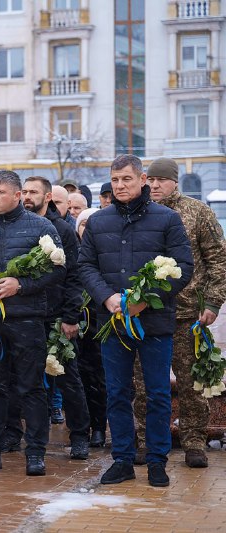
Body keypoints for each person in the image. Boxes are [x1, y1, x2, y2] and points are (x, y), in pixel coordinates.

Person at [78, 154, 193, 487]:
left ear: (143, 179)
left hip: (155, 322)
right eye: (114, 180)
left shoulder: (167, 219)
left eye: (126, 179)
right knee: (117, 392)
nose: (119, 186)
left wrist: (146, 300)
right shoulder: (99, 221)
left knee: (157, 394)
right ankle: (123, 460)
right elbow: (86, 266)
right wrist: (107, 297)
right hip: (113, 321)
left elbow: (183, 267)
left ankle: (157, 461)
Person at [0, 171, 65, 477]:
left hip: (27, 318)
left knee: (31, 387)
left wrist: (20, 285)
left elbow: (58, 271)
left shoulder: (41, 227)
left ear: (17, 196)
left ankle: (35, 453)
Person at [132, 157, 226, 469]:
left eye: (162, 180)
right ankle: (145, 441)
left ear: (175, 181)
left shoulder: (198, 212)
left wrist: (212, 303)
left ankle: (194, 442)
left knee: (191, 385)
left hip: (187, 315)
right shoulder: (137, 211)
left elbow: (218, 261)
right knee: (145, 384)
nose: (155, 185)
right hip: (145, 315)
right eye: (151, 180)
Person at [22, 177, 90, 460]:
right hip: (26, 315)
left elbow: (74, 275)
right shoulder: (18, 226)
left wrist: (70, 316)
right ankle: (27, 439)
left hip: (57, 316)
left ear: (47, 196)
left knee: (68, 379)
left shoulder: (61, 228)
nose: (27, 196)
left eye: (33, 192)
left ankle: (80, 437)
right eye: (24, 191)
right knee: (28, 382)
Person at [74, 207, 108, 448]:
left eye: (90, 223)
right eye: (83, 224)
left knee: (98, 379)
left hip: (100, 323)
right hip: (74, 322)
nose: (86, 228)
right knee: (78, 378)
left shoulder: (105, 253)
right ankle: (80, 426)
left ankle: (99, 427)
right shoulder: (71, 251)